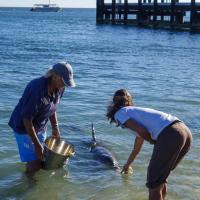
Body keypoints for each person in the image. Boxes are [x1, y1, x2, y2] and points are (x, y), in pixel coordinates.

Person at [106, 89, 192, 200]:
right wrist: (127, 165)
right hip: (185, 131)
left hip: (171, 134)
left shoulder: (120, 113)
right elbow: (137, 147)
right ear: (130, 101)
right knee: (160, 179)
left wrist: (153, 141)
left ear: (113, 102)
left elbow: (142, 132)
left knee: (154, 184)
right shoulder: (137, 114)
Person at [8, 62, 76, 175]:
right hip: (24, 128)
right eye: (64, 82)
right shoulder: (36, 89)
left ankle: (34, 179)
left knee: (43, 159)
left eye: (67, 83)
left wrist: (55, 127)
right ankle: (30, 184)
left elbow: (53, 108)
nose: (65, 85)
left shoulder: (59, 88)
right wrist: (37, 145)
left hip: (40, 125)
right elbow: (27, 119)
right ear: (54, 76)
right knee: (34, 163)